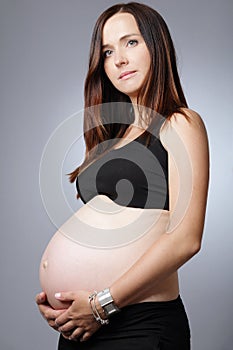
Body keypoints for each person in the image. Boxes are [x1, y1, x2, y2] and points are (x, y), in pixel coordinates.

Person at [36, 2, 209, 349]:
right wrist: (62, 303)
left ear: (156, 46)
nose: (119, 59)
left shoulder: (180, 123)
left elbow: (186, 238)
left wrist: (101, 304)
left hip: (138, 324)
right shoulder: (109, 139)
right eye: (107, 51)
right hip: (82, 326)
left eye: (131, 42)